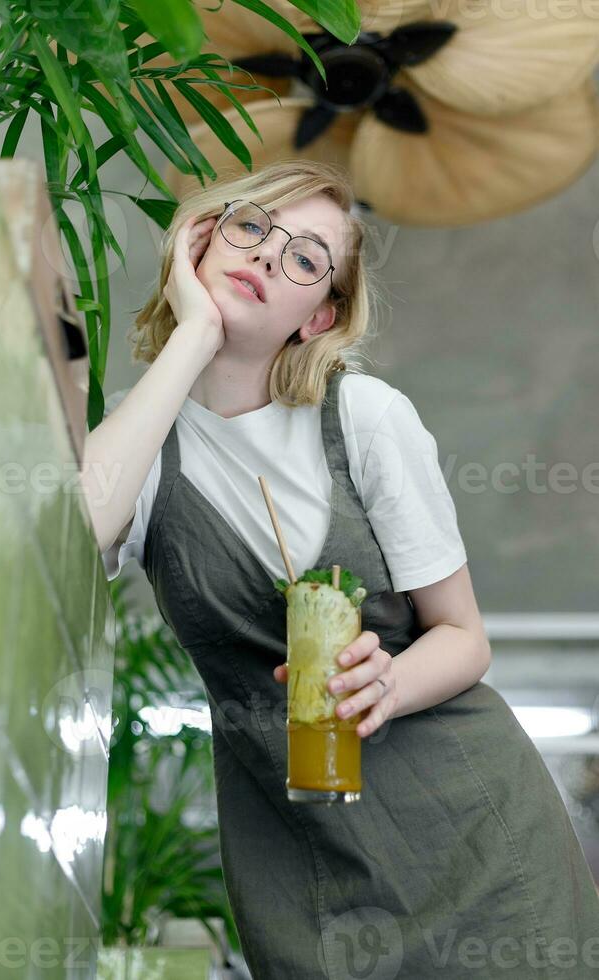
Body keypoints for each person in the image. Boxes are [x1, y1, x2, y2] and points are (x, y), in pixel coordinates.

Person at [82, 160, 599, 978]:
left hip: (473, 831)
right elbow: (78, 531)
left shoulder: (364, 416)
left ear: (318, 315)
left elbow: (464, 638)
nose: (265, 255)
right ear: (200, 238)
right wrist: (193, 336)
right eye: (251, 227)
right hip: (298, 857)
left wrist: (388, 682)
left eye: (304, 256)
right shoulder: (144, 440)